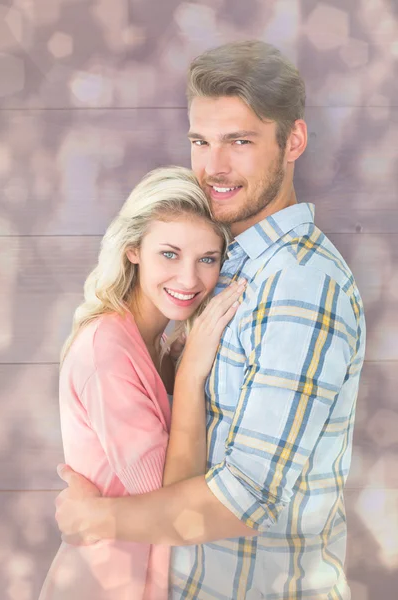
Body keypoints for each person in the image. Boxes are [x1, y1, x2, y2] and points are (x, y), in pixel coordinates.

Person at [54, 41, 366, 599]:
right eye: (201, 141)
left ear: (292, 141)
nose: (213, 167)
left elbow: (245, 499)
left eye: (239, 142)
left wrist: (97, 519)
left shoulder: (300, 285)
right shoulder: (227, 264)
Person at [39, 165, 246, 600]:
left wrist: (175, 371)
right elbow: (169, 506)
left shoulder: (152, 342)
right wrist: (190, 376)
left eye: (207, 259)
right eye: (169, 254)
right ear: (133, 249)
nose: (189, 280)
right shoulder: (108, 349)